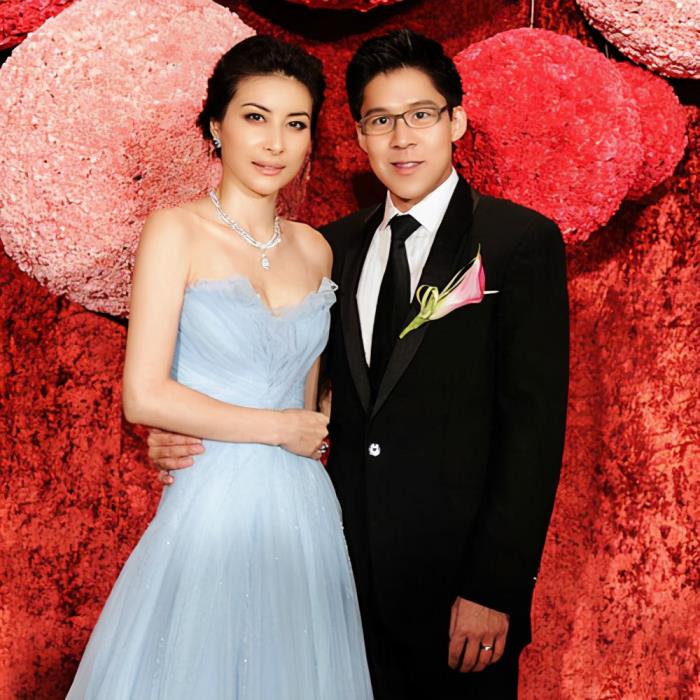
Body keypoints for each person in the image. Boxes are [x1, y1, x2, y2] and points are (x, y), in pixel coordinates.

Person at [149, 29, 569, 699]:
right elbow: (308, 391)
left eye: (421, 114)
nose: (402, 138)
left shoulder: (517, 242)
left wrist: (494, 586)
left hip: (455, 593)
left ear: (456, 121)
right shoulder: (330, 249)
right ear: (359, 136)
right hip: (330, 575)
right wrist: (182, 428)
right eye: (380, 120)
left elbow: (534, 431)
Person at [67, 36, 373, 700]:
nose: (275, 143)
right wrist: (276, 428)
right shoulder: (174, 231)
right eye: (255, 117)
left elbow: (310, 399)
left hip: (303, 511)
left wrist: (302, 427)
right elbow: (144, 395)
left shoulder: (316, 251)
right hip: (212, 504)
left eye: (296, 124)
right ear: (216, 126)